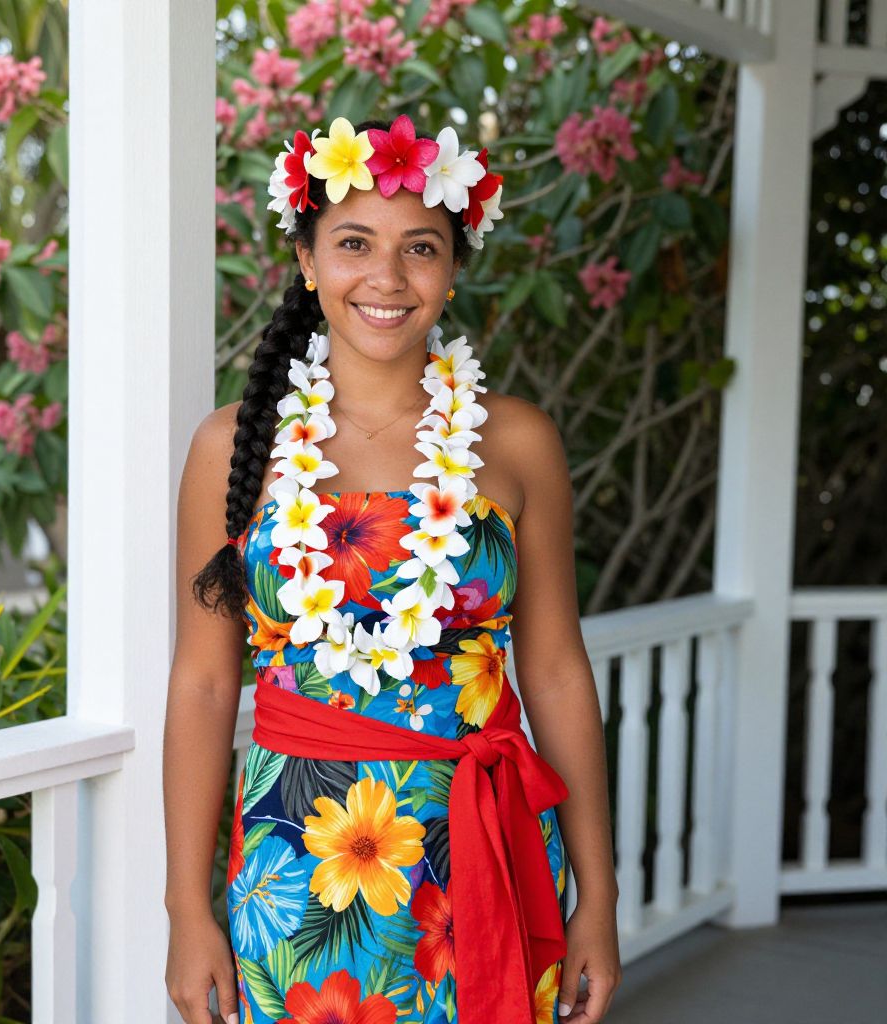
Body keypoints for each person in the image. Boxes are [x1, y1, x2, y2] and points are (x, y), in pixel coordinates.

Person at [163, 114, 621, 1024]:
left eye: (421, 247)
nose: (387, 276)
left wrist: (601, 901)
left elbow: (559, 671)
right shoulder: (231, 448)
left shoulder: (518, 441)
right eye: (354, 243)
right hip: (299, 868)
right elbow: (206, 684)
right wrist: (186, 908)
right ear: (307, 260)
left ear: (453, 267)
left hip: (485, 848)